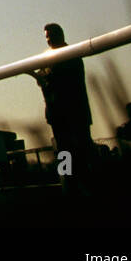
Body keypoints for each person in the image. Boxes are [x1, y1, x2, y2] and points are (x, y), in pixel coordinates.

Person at [33, 23, 94, 181]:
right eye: (47, 37)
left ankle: (90, 185)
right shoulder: (48, 57)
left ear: (61, 35)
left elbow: (54, 79)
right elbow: (42, 79)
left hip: (75, 114)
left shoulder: (71, 54)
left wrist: (42, 76)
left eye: (51, 36)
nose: (49, 40)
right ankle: (69, 185)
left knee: (82, 152)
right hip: (58, 115)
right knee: (64, 153)